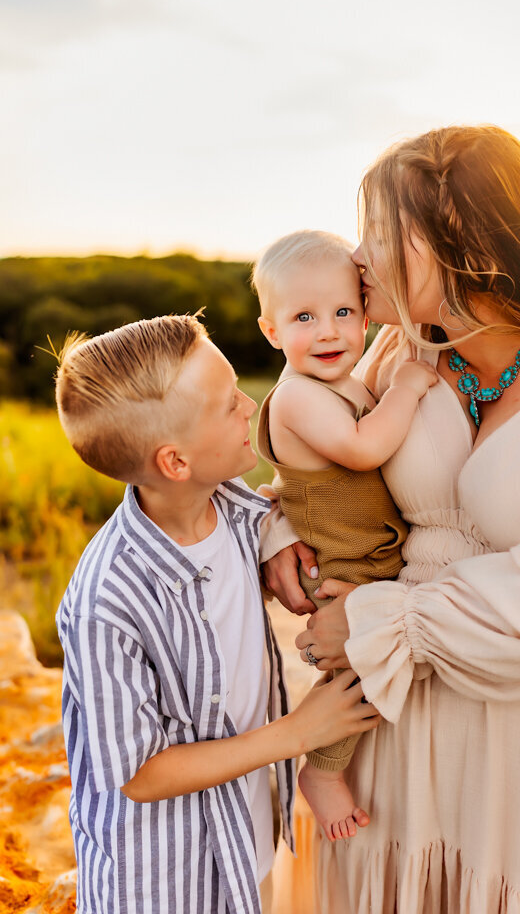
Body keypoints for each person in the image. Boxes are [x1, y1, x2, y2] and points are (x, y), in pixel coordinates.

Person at [262, 126, 520, 913]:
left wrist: (378, 623)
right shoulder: (398, 352)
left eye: (378, 230)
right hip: (395, 717)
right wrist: (279, 527)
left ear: (457, 240)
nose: (358, 255)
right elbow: (311, 451)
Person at [53, 314, 380, 914]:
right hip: (163, 883)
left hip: (244, 842)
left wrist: (278, 532)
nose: (250, 404)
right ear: (176, 462)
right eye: (229, 404)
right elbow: (140, 774)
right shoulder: (107, 600)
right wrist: (299, 734)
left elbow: (272, 507)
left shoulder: (231, 507)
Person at [251, 230, 436, 842]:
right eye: (304, 317)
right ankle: (322, 771)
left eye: (343, 312)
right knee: (361, 661)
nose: (328, 331)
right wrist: (407, 388)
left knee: (371, 653)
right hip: (342, 557)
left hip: (365, 548)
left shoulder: (340, 382)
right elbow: (361, 450)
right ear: (271, 331)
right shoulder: (298, 397)